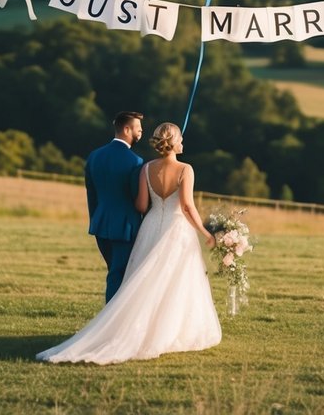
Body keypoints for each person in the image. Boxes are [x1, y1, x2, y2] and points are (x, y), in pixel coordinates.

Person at [37, 122, 221, 364]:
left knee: (146, 280)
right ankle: (166, 331)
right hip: (176, 230)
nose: (183, 143)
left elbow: (141, 206)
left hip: (151, 226)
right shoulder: (186, 169)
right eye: (181, 139)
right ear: (174, 142)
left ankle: (136, 327)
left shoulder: (145, 169)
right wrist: (205, 232)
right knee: (174, 281)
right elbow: (187, 206)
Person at [84, 111, 144, 303]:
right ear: (127, 129)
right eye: (138, 129)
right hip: (125, 228)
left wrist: (95, 219)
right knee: (119, 276)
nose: (141, 133)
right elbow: (138, 200)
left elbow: (91, 195)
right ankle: (110, 325)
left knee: (114, 272)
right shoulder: (135, 161)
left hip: (100, 224)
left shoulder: (94, 156)